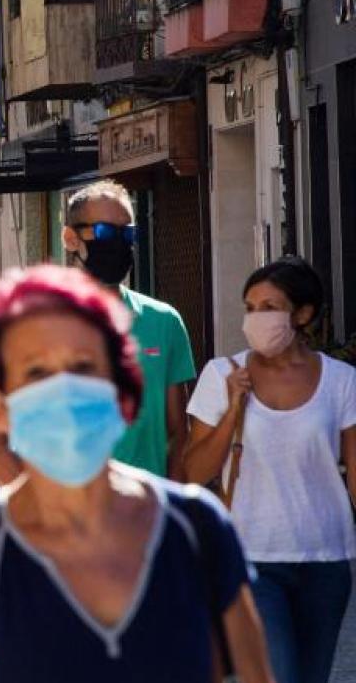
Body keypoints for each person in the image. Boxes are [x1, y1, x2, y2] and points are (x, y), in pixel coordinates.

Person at [0, 265, 272, 683]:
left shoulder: (197, 531)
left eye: (83, 367)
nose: (64, 390)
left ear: (123, 389)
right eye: (36, 372)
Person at [185, 256, 356, 683]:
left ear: (302, 314)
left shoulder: (342, 381)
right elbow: (193, 471)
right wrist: (232, 410)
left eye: (269, 307)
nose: (256, 318)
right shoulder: (222, 374)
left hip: (326, 559)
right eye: (250, 307)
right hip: (251, 556)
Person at [0, 180, 195, 485]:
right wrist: (43, 508)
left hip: (143, 511)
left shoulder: (164, 322)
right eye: (104, 232)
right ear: (70, 238)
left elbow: (179, 434)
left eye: (127, 233)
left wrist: (167, 508)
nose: (118, 242)